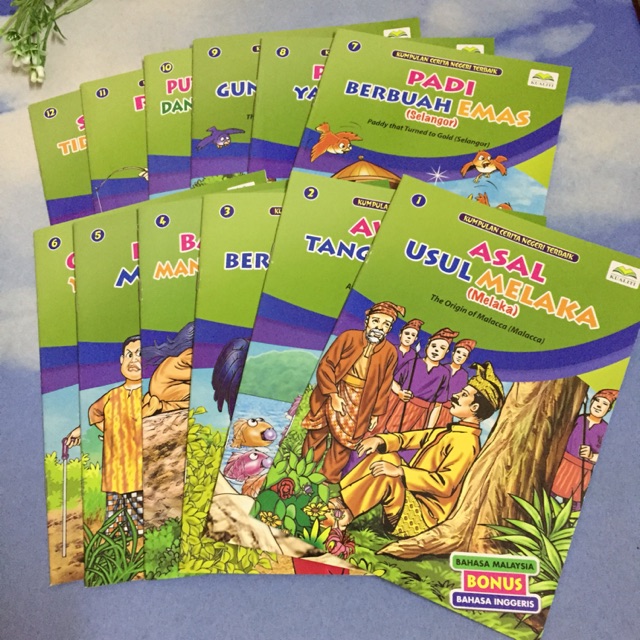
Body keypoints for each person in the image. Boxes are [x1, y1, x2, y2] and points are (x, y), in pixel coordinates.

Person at [326, 362, 504, 540]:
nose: (455, 395)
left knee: (388, 475)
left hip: (421, 517)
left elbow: (445, 485)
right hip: (409, 498)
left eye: (464, 395)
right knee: (386, 455)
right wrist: (380, 440)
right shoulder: (451, 432)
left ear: (474, 408)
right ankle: (341, 502)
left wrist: (400, 471)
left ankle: (343, 517)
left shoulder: (466, 442)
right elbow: (411, 438)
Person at [301, 301, 404, 483]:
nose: (379, 327)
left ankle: (327, 479)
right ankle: (303, 471)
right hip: (334, 390)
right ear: (367, 321)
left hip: (361, 401)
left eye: (386, 324)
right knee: (317, 433)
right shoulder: (348, 337)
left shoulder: (390, 352)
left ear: (389, 329)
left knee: (343, 444)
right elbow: (326, 365)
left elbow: (385, 384)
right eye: (376, 321)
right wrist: (333, 395)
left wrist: (375, 413)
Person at [66, 335, 143, 535]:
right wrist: (106, 430)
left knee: (138, 525)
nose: (134, 360)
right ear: (121, 360)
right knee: (114, 523)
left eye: (140, 354)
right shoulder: (112, 395)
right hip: (114, 471)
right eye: (129, 355)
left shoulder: (148, 394)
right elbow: (94, 413)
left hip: (139, 472)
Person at [376, 327, 458, 433]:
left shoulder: (444, 373)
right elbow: (392, 381)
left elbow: (438, 405)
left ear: (446, 352)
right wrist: (399, 392)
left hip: (421, 415)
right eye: (433, 346)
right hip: (402, 407)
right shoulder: (413, 363)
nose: (436, 350)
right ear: (427, 346)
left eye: (442, 348)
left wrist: (428, 430)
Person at [551, 388, 618, 511]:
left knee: (574, 503)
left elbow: (608, 457)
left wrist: (591, 455)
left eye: (604, 404)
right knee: (552, 493)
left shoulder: (605, 429)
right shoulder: (579, 419)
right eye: (597, 400)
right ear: (591, 402)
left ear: (608, 409)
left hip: (583, 470)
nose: (599, 405)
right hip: (565, 465)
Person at [435, 338, 476, 427]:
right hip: (433, 405)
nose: (460, 356)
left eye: (464, 355)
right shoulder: (442, 368)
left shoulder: (463, 375)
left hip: (447, 410)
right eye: (458, 352)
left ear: (466, 358)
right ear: (453, 353)